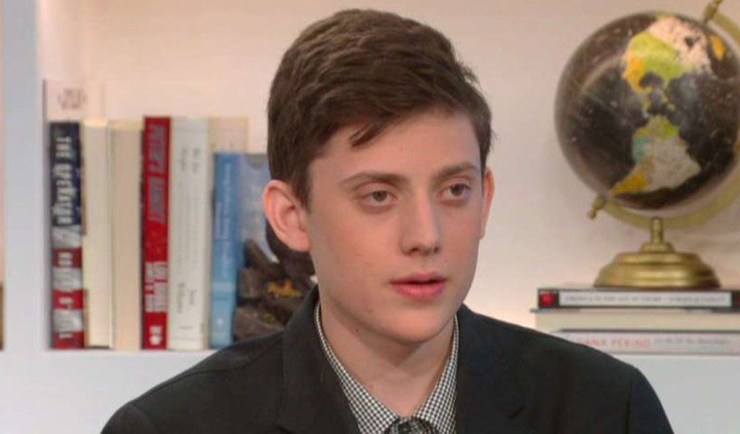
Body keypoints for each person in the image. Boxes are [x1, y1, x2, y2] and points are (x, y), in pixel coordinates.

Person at [103, 9, 674, 434]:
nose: (426, 236)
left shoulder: (606, 410)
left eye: (454, 190)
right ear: (291, 216)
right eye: (378, 196)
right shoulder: (168, 429)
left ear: (486, 199)